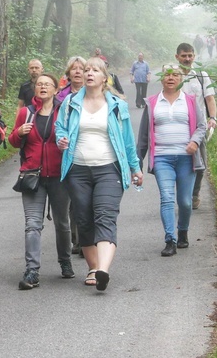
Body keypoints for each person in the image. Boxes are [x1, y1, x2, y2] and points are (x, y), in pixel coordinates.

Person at [55, 57, 143, 291]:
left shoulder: (116, 105)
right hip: (78, 170)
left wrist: (135, 167)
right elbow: (60, 127)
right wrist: (60, 139)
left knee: (105, 216)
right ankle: (93, 268)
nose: (89, 73)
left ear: (105, 78)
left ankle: (103, 269)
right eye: (86, 70)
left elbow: (127, 142)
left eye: (95, 70)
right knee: (84, 219)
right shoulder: (71, 102)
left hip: (108, 169)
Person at [10, 73, 73, 290]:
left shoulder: (64, 112)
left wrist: (67, 142)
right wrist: (19, 132)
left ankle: (65, 261)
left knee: (62, 222)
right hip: (32, 176)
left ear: (56, 89)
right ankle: (32, 271)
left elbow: (75, 137)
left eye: (47, 84)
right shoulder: (25, 113)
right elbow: (13, 142)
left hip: (59, 176)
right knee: (32, 225)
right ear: (35, 89)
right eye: (39, 84)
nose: (43, 87)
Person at [136, 65, 207, 257]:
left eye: (175, 75)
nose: (171, 78)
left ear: (181, 79)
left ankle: (182, 231)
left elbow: (202, 126)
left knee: (184, 202)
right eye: (167, 75)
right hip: (162, 158)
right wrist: (137, 165)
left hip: (186, 159)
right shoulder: (152, 103)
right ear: (161, 79)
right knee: (166, 198)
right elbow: (143, 136)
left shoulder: (190, 101)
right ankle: (170, 239)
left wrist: (194, 141)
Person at [176, 42, 217, 210]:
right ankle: (183, 195)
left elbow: (209, 98)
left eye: (190, 55)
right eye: (184, 55)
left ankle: (195, 193)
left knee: (200, 164)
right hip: (178, 125)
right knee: (179, 163)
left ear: (194, 56)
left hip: (198, 127)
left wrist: (213, 117)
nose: (187, 59)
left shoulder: (201, 75)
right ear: (177, 56)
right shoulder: (173, 75)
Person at [56, 56, 87, 255]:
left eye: (81, 68)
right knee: (71, 200)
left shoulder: (96, 95)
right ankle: (76, 239)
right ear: (68, 73)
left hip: (87, 152)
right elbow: (57, 124)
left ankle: (84, 239)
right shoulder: (60, 97)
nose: (77, 72)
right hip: (65, 153)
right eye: (74, 69)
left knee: (84, 201)